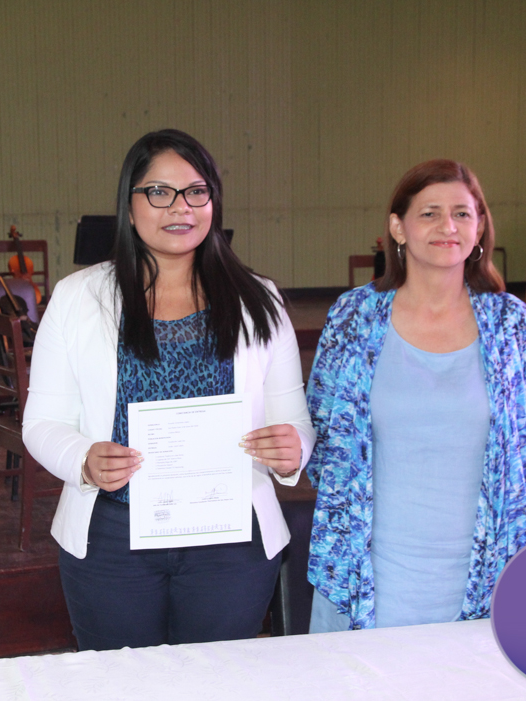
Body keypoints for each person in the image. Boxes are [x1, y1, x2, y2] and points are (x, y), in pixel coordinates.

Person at [22, 129, 315, 651]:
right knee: (121, 681)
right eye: (159, 192)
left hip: (232, 538)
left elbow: (294, 423)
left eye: (196, 192)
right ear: (129, 204)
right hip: (113, 535)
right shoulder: (77, 298)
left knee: (217, 680)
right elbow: (42, 423)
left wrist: (292, 450)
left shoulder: (258, 300)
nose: (181, 207)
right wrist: (84, 459)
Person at [305, 159, 526, 632]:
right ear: (399, 227)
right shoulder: (353, 317)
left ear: (479, 228)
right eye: (430, 213)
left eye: (462, 213)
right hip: (371, 570)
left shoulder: (510, 322)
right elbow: (323, 437)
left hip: (485, 569)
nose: (447, 226)